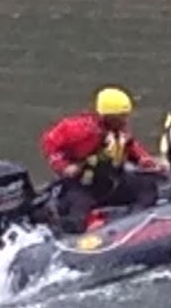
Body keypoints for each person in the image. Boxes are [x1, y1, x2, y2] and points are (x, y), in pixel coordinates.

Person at [40, 86, 164, 233]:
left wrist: (145, 160)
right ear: (109, 116)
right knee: (78, 218)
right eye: (122, 116)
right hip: (83, 186)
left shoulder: (118, 131)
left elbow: (130, 146)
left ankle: (133, 223)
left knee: (147, 187)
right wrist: (63, 166)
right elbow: (49, 143)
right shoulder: (79, 129)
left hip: (111, 182)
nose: (126, 120)